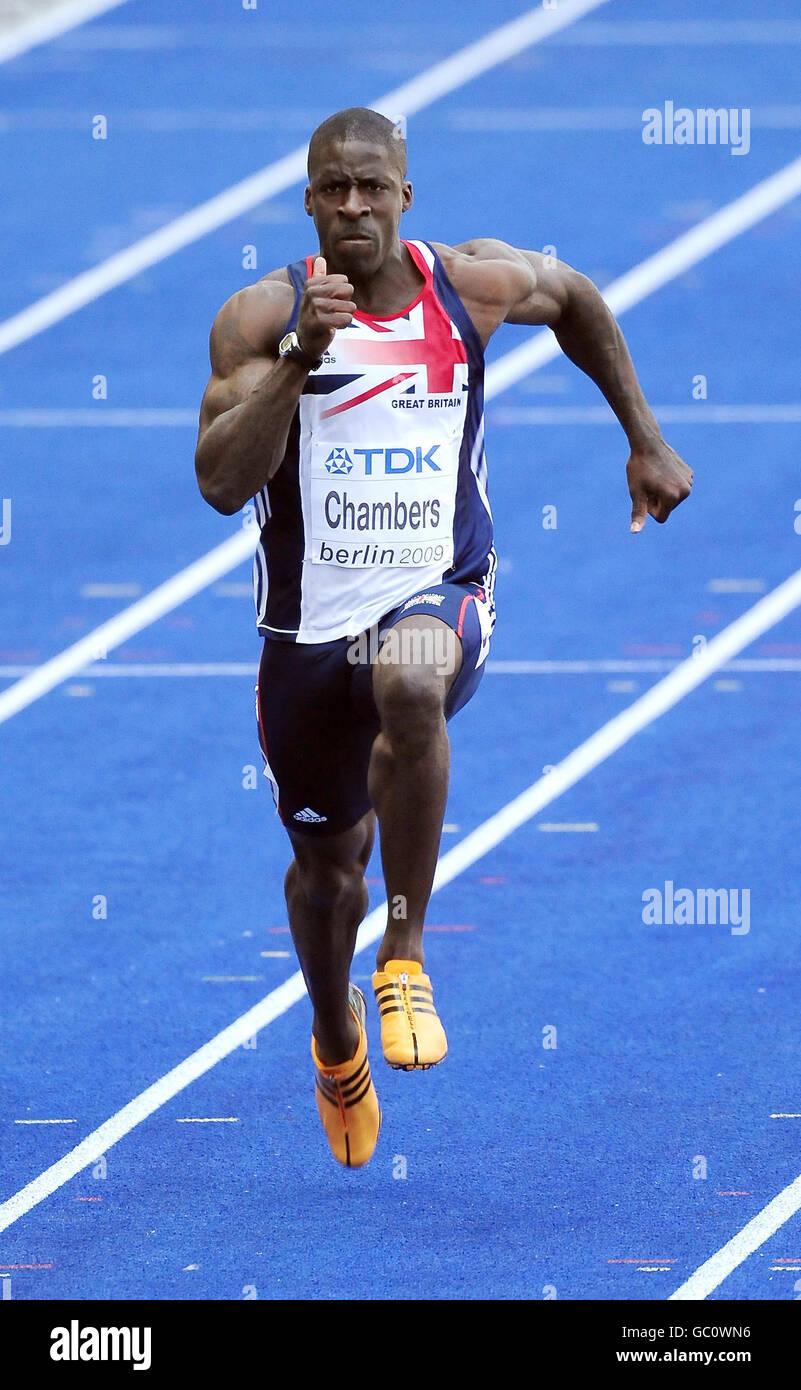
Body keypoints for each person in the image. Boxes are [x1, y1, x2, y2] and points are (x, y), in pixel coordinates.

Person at [194, 107, 693, 1168]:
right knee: (326, 874)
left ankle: (408, 952)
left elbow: (578, 300)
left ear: (405, 196)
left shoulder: (467, 288)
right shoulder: (260, 315)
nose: (354, 206)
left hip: (440, 589)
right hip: (305, 636)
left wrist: (643, 439)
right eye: (334, 189)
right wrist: (299, 360)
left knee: (414, 680)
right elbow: (218, 482)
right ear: (308, 201)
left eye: (372, 187)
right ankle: (336, 1046)